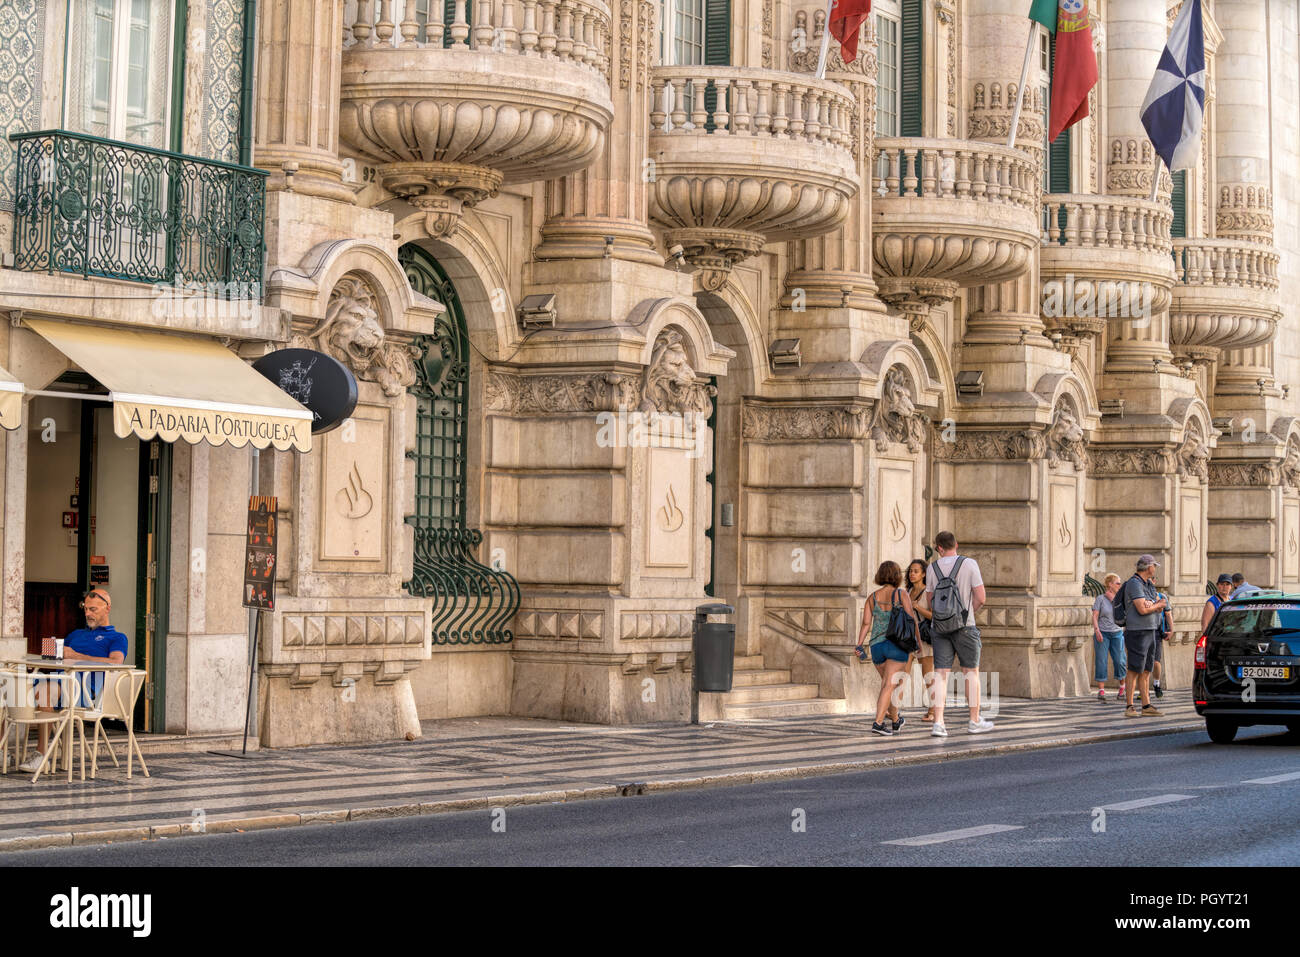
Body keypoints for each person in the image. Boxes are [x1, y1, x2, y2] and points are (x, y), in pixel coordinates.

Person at [19, 588, 128, 773]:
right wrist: (52, 652)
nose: (88, 613)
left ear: (107, 608)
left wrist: (77, 656)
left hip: (87, 694)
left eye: (93, 609)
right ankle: (2, 749)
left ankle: (41, 754)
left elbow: (116, 662)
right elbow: (55, 655)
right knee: (12, 687)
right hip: (61, 684)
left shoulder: (117, 637)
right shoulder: (76, 634)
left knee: (46, 690)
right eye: (85, 609)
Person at [925, 531, 992, 736]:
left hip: (940, 627)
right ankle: (974, 720)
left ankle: (938, 722)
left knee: (940, 675)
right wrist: (965, 614)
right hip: (965, 626)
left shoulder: (932, 568)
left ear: (938, 548)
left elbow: (930, 601)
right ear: (957, 544)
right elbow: (981, 597)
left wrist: (945, 616)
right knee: (970, 673)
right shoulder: (969, 564)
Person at [856, 561, 920, 737]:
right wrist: (918, 644)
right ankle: (877, 723)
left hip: (876, 646)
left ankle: (896, 720)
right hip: (896, 645)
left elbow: (866, 624)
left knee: (888, 686)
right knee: (888, 685)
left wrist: (859, 644)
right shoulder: (901, 594)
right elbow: (912, 620)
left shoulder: (872, 597)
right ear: (897, 576)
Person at [1120, 556, 1167, 718]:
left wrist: (1153, 605)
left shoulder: (1148, 584)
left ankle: (1146, 705)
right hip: (1137, 631)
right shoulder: (1134, 583)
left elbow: (1158, 605)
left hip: (1151, 629)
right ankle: (1129, 706)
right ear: (1148, 567)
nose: (1155, 568)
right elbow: (1142, 609)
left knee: (1147, 669)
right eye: (1154, 565)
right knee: (1134, 669)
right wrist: (1156, 605)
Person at [905, 558, 937, 722]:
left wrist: (918, 607)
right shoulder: (907, 592)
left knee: (927, 675)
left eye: (916, 571)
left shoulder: (928, 592)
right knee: (902, 672)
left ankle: (933, 710)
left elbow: (934, 615)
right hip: (909, 638)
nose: (912, 574)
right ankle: (892, 709)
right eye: (910, 571)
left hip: (924, 638)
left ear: (924, 574)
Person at [1091, 574, 1125, 700]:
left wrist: (1114, 600)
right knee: (1101, 660)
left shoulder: (1121, 598)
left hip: (1117, 633)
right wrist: (1097, 630)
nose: (1119, 585)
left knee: (1120, 660)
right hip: (1103, 633)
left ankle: (1122, 688)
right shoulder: (1100, 599)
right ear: (1110, 584)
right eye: (1117, 583)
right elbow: (1095, 616)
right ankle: (1101, 690)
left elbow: (1124, 613)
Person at [1151, 583, 1175, 698]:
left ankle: (1156, 684)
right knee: (1143, 662)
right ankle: (1143, 690)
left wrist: (1171, 629)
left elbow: (1168, 614)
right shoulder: (1140, 595)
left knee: (1156, 661)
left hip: (1156, 632)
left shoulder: (1162, 597)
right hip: (1143, 631)